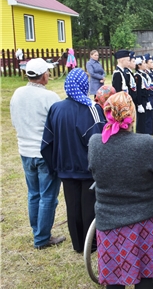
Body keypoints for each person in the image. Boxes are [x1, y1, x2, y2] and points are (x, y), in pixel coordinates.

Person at [87, 92, 153, 289]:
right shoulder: (146, 143)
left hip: (108, 219)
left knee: (113, 278)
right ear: (131, 113)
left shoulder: (95, 143)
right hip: (142, 219)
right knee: (145, 275)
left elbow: (94, 172)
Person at [41, 68, 105, 253]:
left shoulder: (56, 108)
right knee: (89, 207)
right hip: (88, 169)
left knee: (73, 206)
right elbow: (100, 140)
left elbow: (47, 142)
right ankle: (90, 245)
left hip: (65, 168)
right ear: (84, 86)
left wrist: (54, 166)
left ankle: (78, 245)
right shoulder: (92, 109)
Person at [10, 58, 65, 249]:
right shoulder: (49, 97)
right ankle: (42, 237)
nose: (49, 75)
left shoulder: (17, 93)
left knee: (33, 194)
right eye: (47, 72)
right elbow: (59, 125)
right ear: (42, 76)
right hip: (44, 153)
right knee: (48, 196)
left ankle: (38, 230)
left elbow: (15, 121)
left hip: (25, 150)